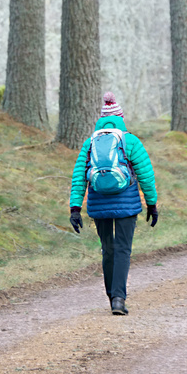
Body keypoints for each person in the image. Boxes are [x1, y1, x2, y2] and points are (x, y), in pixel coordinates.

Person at [69, 92, 158, 315]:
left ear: (100, 120)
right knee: (123, 250)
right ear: (121, 118)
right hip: (127, 204)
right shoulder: (130, 141)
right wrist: (152, 204)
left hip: (99, 204)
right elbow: (146, 175)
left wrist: (75, 208)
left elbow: (79, 176)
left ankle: (111, 297)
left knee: (108, 250)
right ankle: (119, 298)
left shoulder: (90, 143)